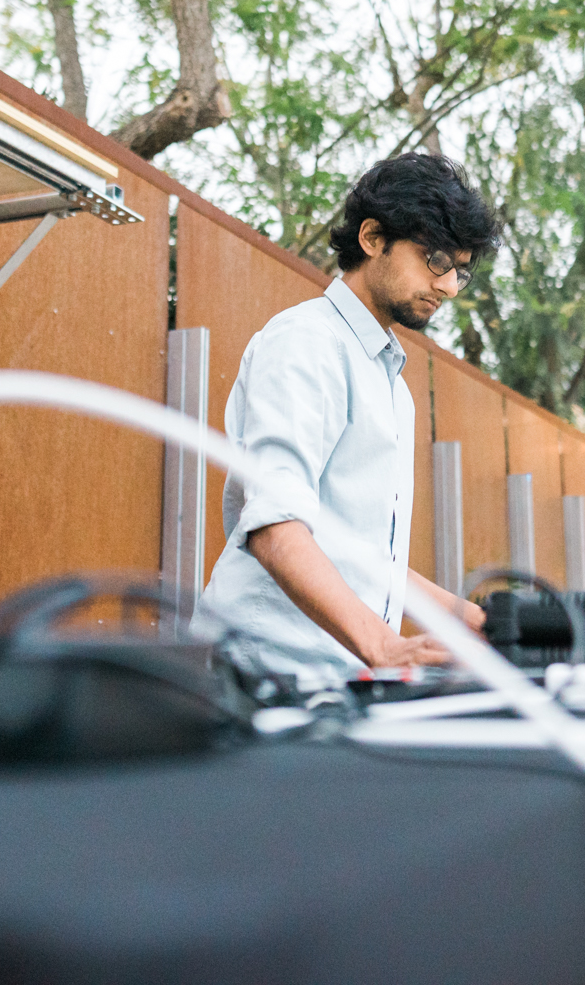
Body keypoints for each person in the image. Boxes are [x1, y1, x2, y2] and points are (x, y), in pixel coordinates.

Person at [198, 154, 499, 677]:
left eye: (460, 271)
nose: (450, 286)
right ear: (372, 238)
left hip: (333, 677)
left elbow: (360, 558)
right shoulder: (306, 342)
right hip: (260, 672)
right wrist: (384, 647)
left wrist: (471, 619)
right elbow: (275, 525)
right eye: (436, 260)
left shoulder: (390, 384)